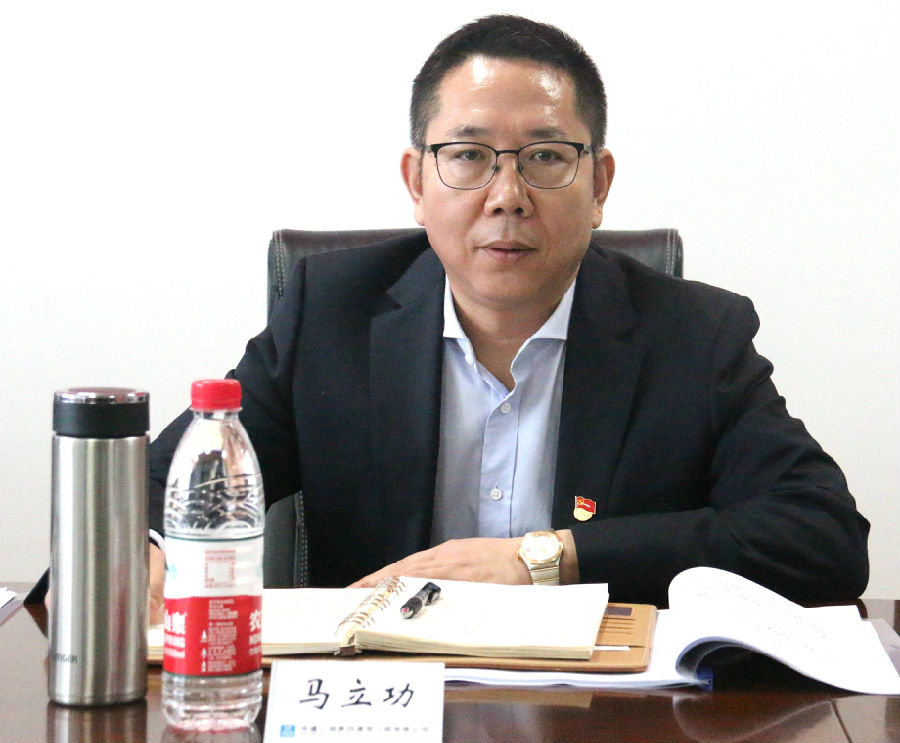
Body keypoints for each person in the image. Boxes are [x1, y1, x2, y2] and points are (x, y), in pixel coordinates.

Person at [146, 14, 869, 619]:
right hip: (381, 694)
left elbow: (823, 538)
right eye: (468, 155)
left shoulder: (694, 336)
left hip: (604, 706)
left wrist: (546, 558)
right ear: (417, 182)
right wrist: (147, 550)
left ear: (598, 184)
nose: (507, 195)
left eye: (546, 157)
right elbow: (164, 488)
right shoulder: (330, 316)